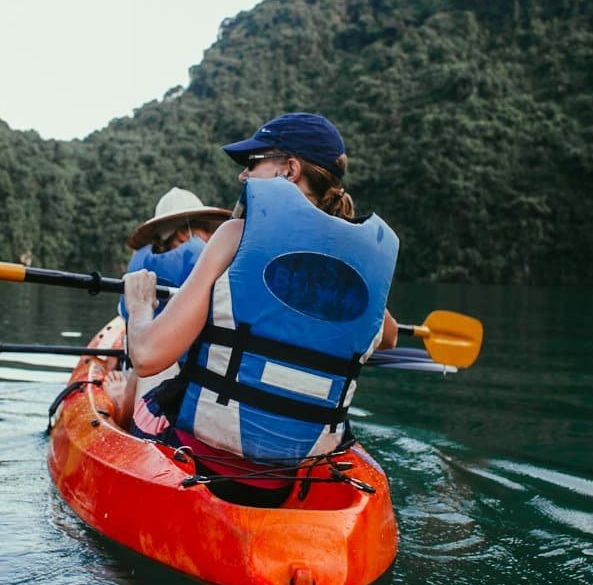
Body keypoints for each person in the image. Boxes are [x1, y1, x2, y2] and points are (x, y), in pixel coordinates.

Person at [123, 112, 399, 507]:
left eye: (253, 164)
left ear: (290, 169)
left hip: (197, 464)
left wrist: (139, 309)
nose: (243, 176)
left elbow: (148, 357)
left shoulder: (235, 235)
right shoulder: (366, 267)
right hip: (284, 482)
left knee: (158, 364)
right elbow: (388, 337)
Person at [105, 188, 230, 435]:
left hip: (173, 382)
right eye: (208, 232)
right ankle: (124, 400)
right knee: (155, 363)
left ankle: (122, 400)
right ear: (185, 235)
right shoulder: (219, 275)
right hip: (178, 382)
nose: (211, 240)